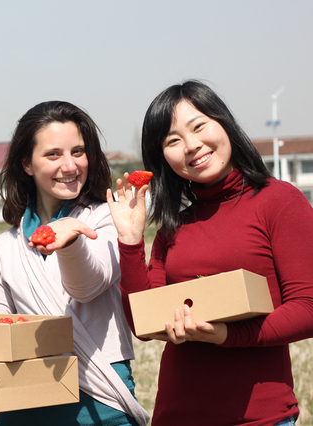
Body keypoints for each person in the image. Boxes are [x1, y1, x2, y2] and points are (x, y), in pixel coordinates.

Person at [107, 80, 313, 426]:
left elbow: (308, 307)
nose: (192, 145)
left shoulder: (279, 201)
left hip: (260, 419)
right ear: (162, 158)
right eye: (173, 140)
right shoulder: (174, 226)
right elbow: (144, 324)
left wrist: (228, 336)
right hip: (176, 417)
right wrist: (130, 240)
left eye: (199, 126)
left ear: (224, 123)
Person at [0, 101, 150, 426]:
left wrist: (71, 241)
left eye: (78, 152)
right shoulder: (5, 245)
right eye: (53, 154)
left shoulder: (107, 217)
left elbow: (87, 287)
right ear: (26, 164)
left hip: (100, 397)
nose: (70, 165)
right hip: (25, 397)